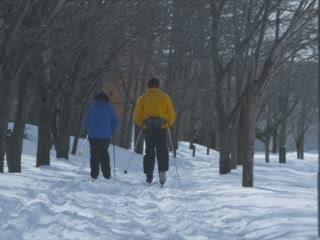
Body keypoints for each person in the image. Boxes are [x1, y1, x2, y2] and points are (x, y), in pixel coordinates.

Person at [134, 78, 176, 185]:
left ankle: (149, 175)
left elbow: (136, 116)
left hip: (148, 129)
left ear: (148, 86)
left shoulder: (143, 98)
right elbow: (171, 114)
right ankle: (162, 171)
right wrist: (168, 123)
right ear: (158, 86)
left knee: (149, 151)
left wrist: (141, 123)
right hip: (162, 128)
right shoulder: (164, 97)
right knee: (162, 149)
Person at [84, 92, 119, 180]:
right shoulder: (109, 108)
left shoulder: (92, 108)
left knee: (94, 154)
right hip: (105, 136)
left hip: (93, 135)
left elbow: (86, 121)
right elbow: (116, 121)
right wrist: (112, 130)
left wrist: (89, 128)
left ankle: (94, 174)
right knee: (104, 153)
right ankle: (106, 174)